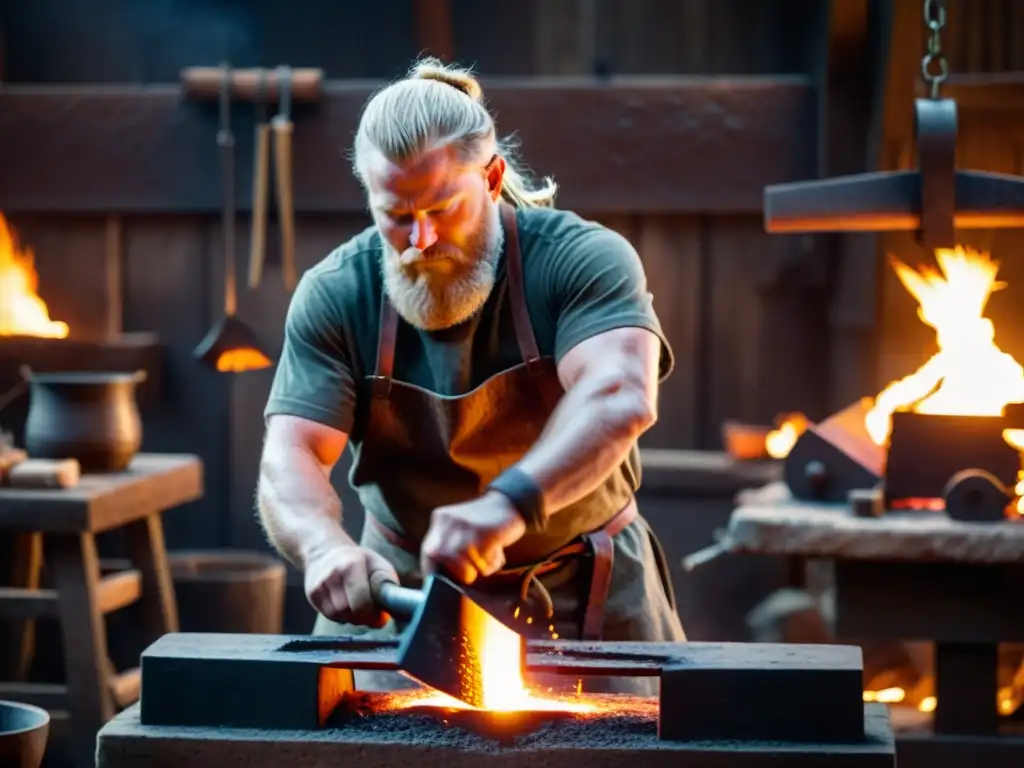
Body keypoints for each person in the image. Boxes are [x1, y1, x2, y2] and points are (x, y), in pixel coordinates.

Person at [256, 57, 685, 696]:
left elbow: (619, 394)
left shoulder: (580, 260)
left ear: (492, 177)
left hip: (586, 597)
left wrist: (508, 504)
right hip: (400, 601)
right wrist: (322, 548)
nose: (418, 241)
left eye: (441, 208)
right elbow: (289, 456)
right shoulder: (337, 293)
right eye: (395, 215)